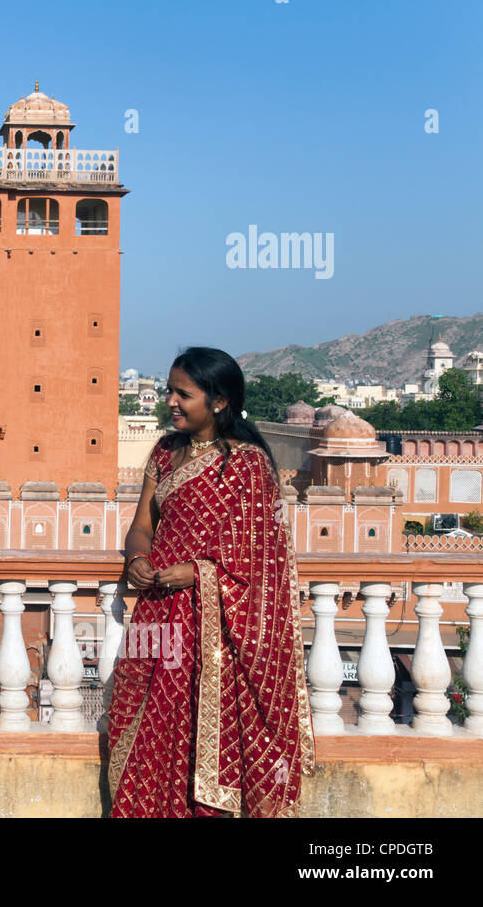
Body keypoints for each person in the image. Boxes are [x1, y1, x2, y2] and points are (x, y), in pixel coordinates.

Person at [107, 347, 315, 817]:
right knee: (148, 731)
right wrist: (137, 554)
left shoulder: (247, 466)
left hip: (220, 630)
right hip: (159, 615)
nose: (171, 402)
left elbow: (263, 564)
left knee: (205, 737)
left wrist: (197, 572)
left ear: (218, 401)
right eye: (169, 391)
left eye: (184, 394)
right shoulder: (165, 452)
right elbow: (142, 522)